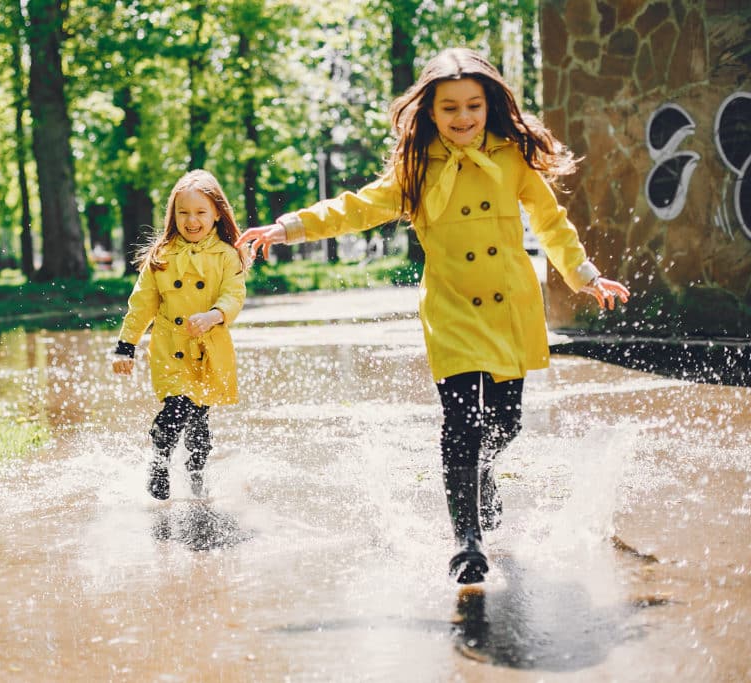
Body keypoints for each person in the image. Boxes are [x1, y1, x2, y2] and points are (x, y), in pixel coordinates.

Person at [238, 48, 630, 584]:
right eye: (450, 108)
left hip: (509, 307)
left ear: (490, 105)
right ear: (430, 112)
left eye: (473, 105)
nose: (463, 117)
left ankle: (484, 472)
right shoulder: (415, 167)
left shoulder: (512, 156)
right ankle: (466, 541)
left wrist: (585, 276)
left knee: (504, 424)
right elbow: (355, 207)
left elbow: (551, 221)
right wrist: (287, 228)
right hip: (451, 311)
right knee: (461, 424)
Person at [113, 169, 250, 500]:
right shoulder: (162, 256)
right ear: (173, 215)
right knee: (176, 408)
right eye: (184, 212)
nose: (192, 220)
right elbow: (142, 303)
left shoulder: (226, 255)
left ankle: (197, 479)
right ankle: (159, 463)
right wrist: (125, 345)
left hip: (208, 349)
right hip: (170, 347)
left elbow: (235, 294)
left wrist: (215, 315)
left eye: (201, 212)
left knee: (199, 418)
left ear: (217, 213)